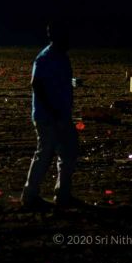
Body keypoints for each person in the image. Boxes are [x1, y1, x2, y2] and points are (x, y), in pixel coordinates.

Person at [20, 21, 83, 211]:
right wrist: (52, 110)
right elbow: (36, 84)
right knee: (46, 155)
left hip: (59, 114)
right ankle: (31, 196)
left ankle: (62, 195)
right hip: (48, 117)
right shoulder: (45, 58)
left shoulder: (59, 57)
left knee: (67, 152)